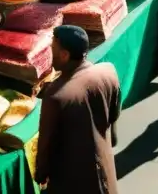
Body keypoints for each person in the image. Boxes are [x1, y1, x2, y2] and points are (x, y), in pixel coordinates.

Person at [35, 25, 121, 194]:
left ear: (65, 55)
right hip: (105, 173)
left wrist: (41, 175)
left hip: (74, 182)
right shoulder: (108, 71)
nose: (50, 54)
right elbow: (113, 117)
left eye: (53, 49)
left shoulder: (56, 95)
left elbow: (46, 144)